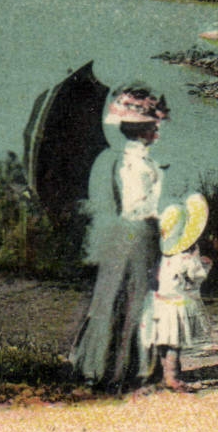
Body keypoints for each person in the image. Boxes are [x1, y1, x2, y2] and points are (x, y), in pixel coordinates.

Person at [68, 86, 169, 391]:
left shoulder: (120, 159)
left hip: (120, 233)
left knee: (114, 293)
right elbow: (140, 205)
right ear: (141, 130)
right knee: (137, 297)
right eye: (154, 127)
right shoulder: (138, 164)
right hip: (138, 232)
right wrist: (165, 210)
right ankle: (123, 370)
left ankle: (103, 365)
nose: (158, 132)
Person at [139, 194, 212, 392]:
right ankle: (173, 377)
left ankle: (166, 374)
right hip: (176, 306)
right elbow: (197, 276)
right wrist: (204, 264)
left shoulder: (163, 256)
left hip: (158, 304)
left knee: (164, 342)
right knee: (174, 344)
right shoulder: (186, 257)